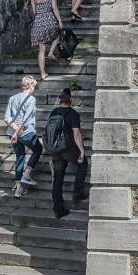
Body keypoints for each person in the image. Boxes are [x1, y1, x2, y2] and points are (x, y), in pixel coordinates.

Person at [47, 87, 87, 219]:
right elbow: (76, 134)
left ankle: (58, 209)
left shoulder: (54, 112)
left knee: (57, 179)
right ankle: (78, 192)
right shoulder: (73, 114)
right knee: (83, 164)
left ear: (60, 100)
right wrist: (81, 150)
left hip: (56, 149)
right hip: (68, 149)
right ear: (70, 100)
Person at [4, 75, 41, 199]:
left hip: (12, 133)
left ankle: (18, 189)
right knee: (38, 150)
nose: (34, 89)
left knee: (20, 157)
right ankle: (26, 175)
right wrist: (18, 132)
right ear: (30, 86)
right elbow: (26, 120)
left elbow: (7, 118)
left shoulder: (12, 98)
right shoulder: (31, 99)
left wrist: (14, 129)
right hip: (26, 133)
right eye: (34, 86)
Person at [29, 0, 64, 81]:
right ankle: (51, 52)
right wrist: (60, 21)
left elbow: (34, 12)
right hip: (49, 19)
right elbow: (54, 8)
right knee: (58, 34)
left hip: (38, 22)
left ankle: (43, 74)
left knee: (41, 49)